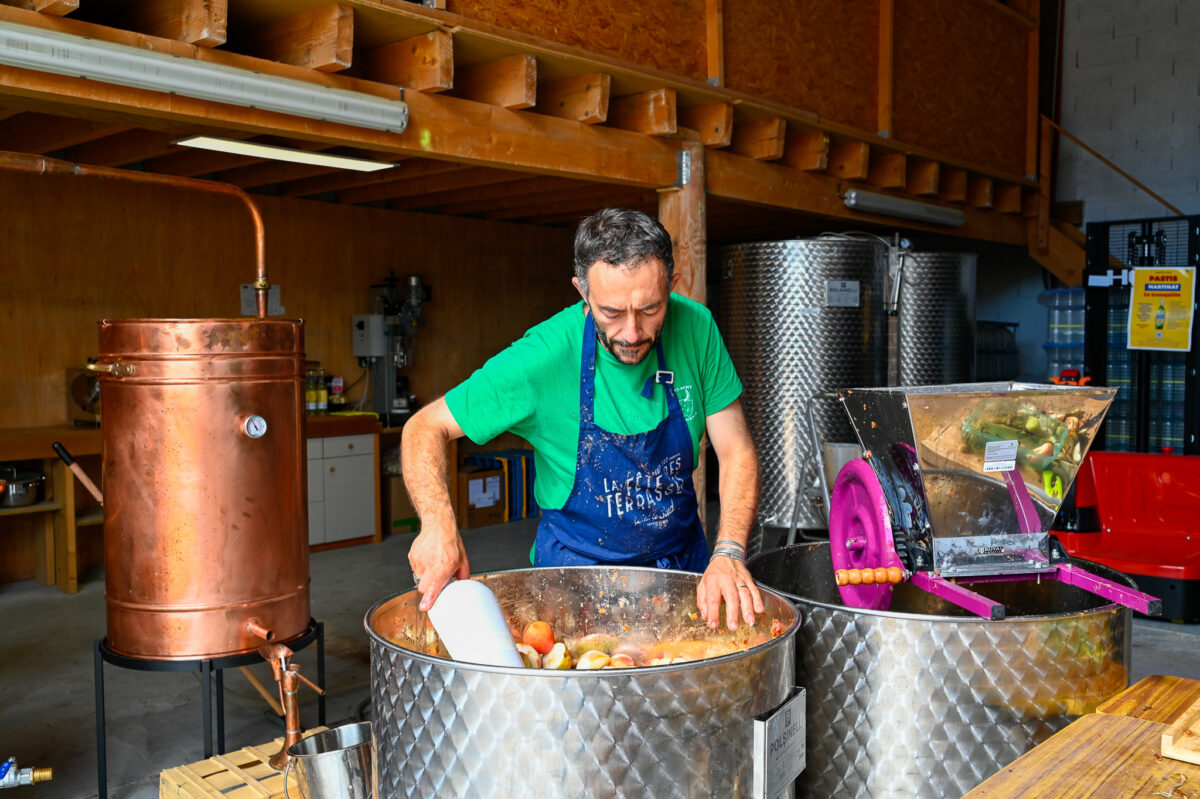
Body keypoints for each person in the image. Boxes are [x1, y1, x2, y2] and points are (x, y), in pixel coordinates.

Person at [402, 208, 762, 630]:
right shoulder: (544, 356)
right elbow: (425, 426)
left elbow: (736, 448)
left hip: (685, 573)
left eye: (650, 309)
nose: (632, 332)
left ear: (672, 285)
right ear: (582, 293)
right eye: (611, 312)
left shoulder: (697, 328)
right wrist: (437, 522)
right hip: (571, 586)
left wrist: (730, 552)